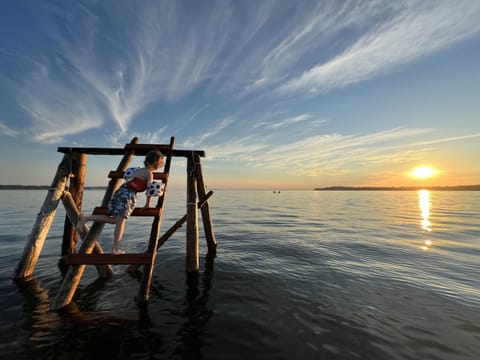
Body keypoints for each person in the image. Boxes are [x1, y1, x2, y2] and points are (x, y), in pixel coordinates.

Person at [77, 149, 165, 254]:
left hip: (121, 191)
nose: (161, 164)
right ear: (156, 162)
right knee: (121, 221)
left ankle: (86, 217)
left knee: (115, 220)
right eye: (160, 162)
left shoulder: (138, 170)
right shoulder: (148, 173)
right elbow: (150, 190)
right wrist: (147, 204)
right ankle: (115, 249)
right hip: (128, 194)